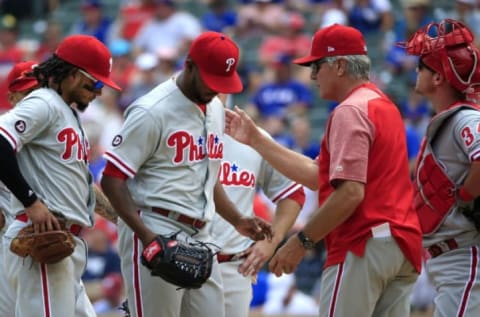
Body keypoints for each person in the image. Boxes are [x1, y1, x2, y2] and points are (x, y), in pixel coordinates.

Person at [225, 23, 423, 317]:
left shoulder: (349, 111)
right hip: (400, 244)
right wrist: (257, 140)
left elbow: (351, 192)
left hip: (362, 243)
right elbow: (319, 175)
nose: (313, 75)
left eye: (318, 65)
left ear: (340, 65)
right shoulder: (382, 104)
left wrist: (302, 242)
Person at [100, 31, 272, 317]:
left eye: (222, 82)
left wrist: (237, 219)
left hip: (202, 234)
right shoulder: (150, 111)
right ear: (189, 65)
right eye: (212, 80)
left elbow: (208, 175)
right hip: (156, 225)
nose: (216, 89)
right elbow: (112, 179)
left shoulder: (215, 107)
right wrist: (147, 236)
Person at [0, 34, 121, 317]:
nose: (100, 91)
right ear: (75, 75)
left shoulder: (65, 111)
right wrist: (32, 202)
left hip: (67, 246)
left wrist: (126, 219)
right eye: (97, 82)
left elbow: (80, 185)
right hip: (45, 239)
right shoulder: (44, 102)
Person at [400, 18, 480, 316]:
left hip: (465, 256)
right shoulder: (451, 120)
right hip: (452, 258)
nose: (416, 71)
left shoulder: (464, 119)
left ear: (439, 78)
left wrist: (468, 194)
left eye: (422, 66)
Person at [211, 113, 306, 317]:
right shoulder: (175, 126)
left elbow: (293, 193)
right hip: (180, 261)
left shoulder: (252, 136)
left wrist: (272, 241)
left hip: (234, 265)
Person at [0, 60, 39, 317]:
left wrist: (118, 218)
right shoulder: (7, 129)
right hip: (9, 242)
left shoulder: (50, 130)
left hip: (35, 237)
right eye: (28, 93)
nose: (36, 99)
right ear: (12, 96)